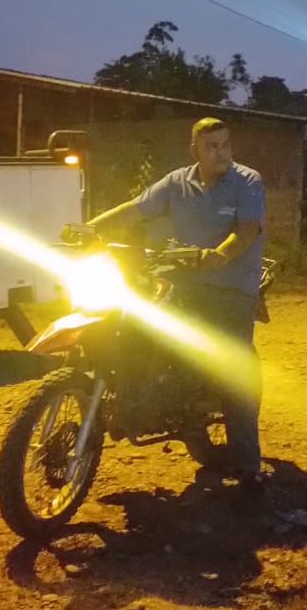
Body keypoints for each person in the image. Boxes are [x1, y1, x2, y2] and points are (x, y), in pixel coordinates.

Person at [83, 116, 266, 486]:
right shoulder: (176, 182)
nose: (221, 153)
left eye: (225, 145)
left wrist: (220, 254)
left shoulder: (247, 181)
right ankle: (138, 402)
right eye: (211, 147)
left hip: (231, 287)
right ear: (194, 150)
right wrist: (89, 228)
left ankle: (248, 467)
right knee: (133, 327)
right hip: (184, 283)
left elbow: (247, 230)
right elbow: (135, 209)